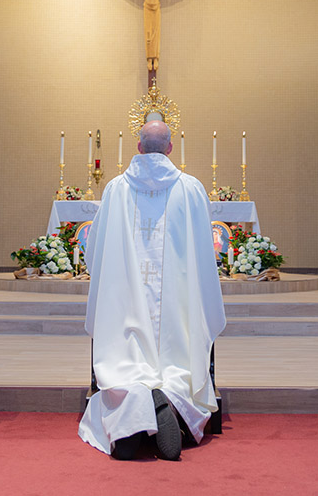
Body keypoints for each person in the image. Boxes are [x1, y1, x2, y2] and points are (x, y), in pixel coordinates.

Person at [79, 120, 226, 460]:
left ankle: (131, 418)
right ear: (171, 148)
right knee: (180, 364)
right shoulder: (190, 188)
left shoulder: (116, 189)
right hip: (177, 309)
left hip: (126, 305)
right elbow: (206, 251)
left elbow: (95, 250)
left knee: (122, 363)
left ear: (139, 147)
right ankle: (169, 403)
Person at [104, 0, 202, 71]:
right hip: (147, 9)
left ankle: (155, 58)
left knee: (156, 34)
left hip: (156, 9)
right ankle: (149, 58)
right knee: (148, 34)